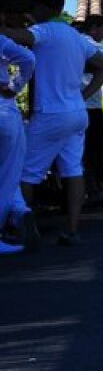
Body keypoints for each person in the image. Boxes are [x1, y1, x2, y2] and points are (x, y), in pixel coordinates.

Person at [1, 0, 103, 246]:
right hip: (77, 113)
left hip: (49, 114)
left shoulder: (43, 31)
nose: (31, 11)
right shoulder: (77, 37)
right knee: (73, 170)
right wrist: (84, 95)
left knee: (23, 171)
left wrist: (8, 25)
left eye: (34, 7)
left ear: (45, 8)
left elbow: (13, 37)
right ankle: (72, 229)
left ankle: (22, 225)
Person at [0, 27, 35, 253]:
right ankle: (16, 212)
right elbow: (28, 58)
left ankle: (19, 210)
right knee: (8, 173)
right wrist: (14, 86)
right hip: (3, 109)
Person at [76, 15, 103, 207]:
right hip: (90, 106)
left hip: (75, 106)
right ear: (92, 28)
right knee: (98, 153)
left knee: (79, 154)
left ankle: (90, 191)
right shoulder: (95, 48)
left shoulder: (73, 45)